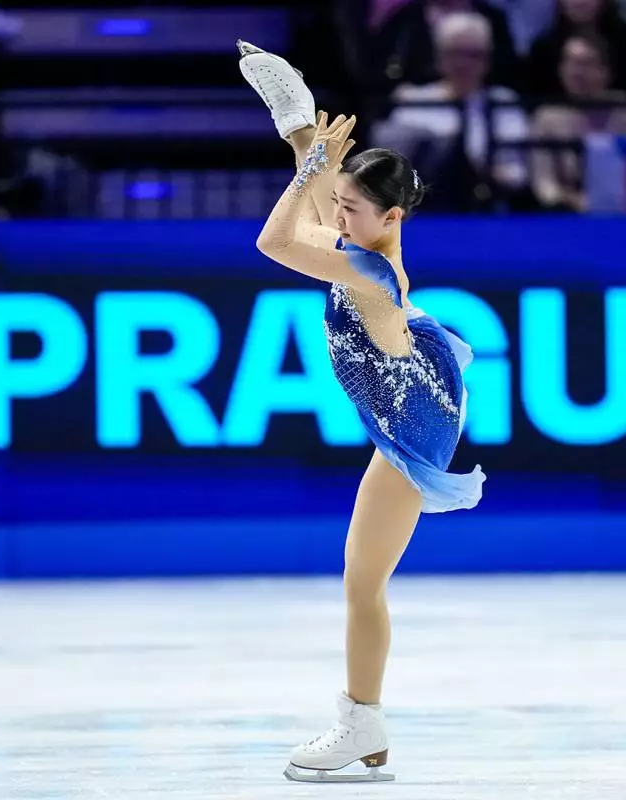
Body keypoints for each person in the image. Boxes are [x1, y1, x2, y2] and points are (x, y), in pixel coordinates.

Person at [236, 39, 486, 783]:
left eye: (353, 208)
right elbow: (317, 208)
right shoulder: (363, 244)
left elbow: (274, 239)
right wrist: (300, 130)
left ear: (393, 216)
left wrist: (311, 163)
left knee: (361, 584)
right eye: (340, 205)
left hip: (414, 427)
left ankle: (361, 722)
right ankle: (367, 727)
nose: (338, 217)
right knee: (361, 580)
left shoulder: (371, 272)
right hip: (414, 397)